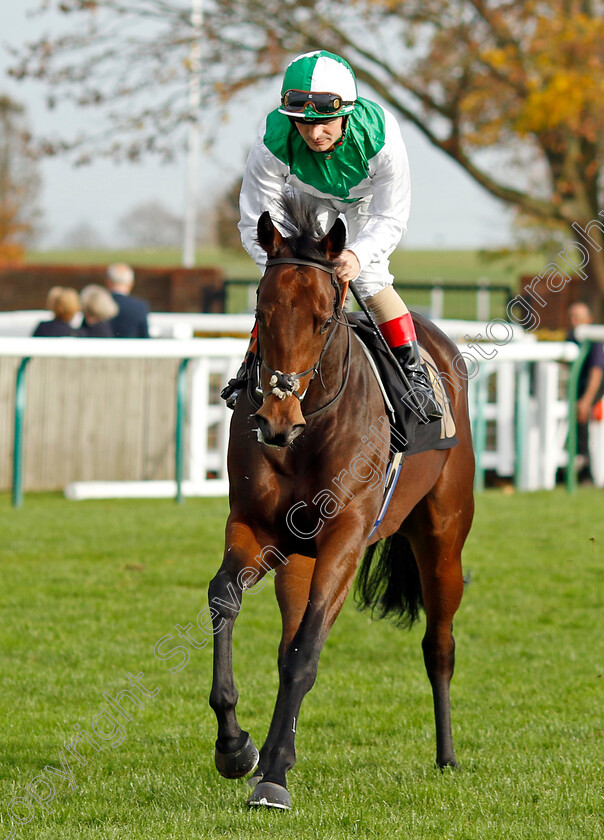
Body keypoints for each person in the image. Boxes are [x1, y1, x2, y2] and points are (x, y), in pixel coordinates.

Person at [221, 49, 441, 419]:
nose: (313, 133)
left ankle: (413, 375)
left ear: (347, 113)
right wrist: (285, 264)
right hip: (306, 198)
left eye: (325, 123)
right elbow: (255, 221)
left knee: (370, 278)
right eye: (302, 123)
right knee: (285, 285)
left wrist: (356, 255)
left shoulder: (381, 137)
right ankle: (250, 369)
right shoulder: (272, 138)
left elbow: (391, 216)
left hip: (365, 201)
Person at [567, 300, 604, 484]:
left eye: (579, 317)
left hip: (594, 389)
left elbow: (597, 372)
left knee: (582, 412)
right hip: (578, 389)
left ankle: (585, 468)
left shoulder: (594, 340)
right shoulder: (570, 337)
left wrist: (587, 400)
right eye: (572, 317)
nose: (575, 321)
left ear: (588, 319)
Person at [105, 263, 150, 338]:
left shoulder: (100, 305)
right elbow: (144, 336)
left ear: (108, 282)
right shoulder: (140, 307)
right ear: (131, 284)